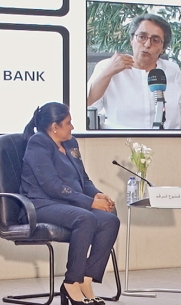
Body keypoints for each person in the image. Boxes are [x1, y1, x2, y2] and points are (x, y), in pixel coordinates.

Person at [19, 102, 119, 305]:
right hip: (41, 204)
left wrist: (97, 195)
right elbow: (52, 185)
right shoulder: (38, 143)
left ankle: (86, 280)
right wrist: (90, 203)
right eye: (68, 123)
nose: (72, 127)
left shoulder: (70, 143)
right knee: (85, 218)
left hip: (68, 204)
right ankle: (71, 282)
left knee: (110, 220)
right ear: (54, 127)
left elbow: (83, 178)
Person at [87, 13, 181, 129]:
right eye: (142, 37)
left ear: (163, 48)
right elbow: (87, 104)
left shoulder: (172, 70)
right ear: (132, 40)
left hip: (167, 139)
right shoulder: (108, 66)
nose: (147, 44)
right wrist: (108, 72)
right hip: (122, 139)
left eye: (155, 40)